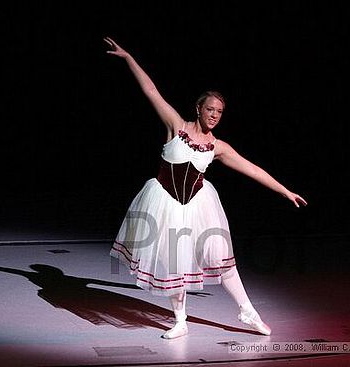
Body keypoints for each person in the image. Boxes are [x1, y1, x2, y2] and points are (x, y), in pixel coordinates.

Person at [104, 36, 308, 339]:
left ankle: (247, 311)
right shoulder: (176, 126)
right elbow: (150, 90)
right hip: (165, 203)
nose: (214, 114)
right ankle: (180, 321)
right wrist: (128, 57)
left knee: (221, 257)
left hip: (199, 205)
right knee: (175, 264)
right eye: (210, 109)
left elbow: (252, 168)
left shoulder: (218, 147)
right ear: (199, 108)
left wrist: (284, 190)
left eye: (220, 112)